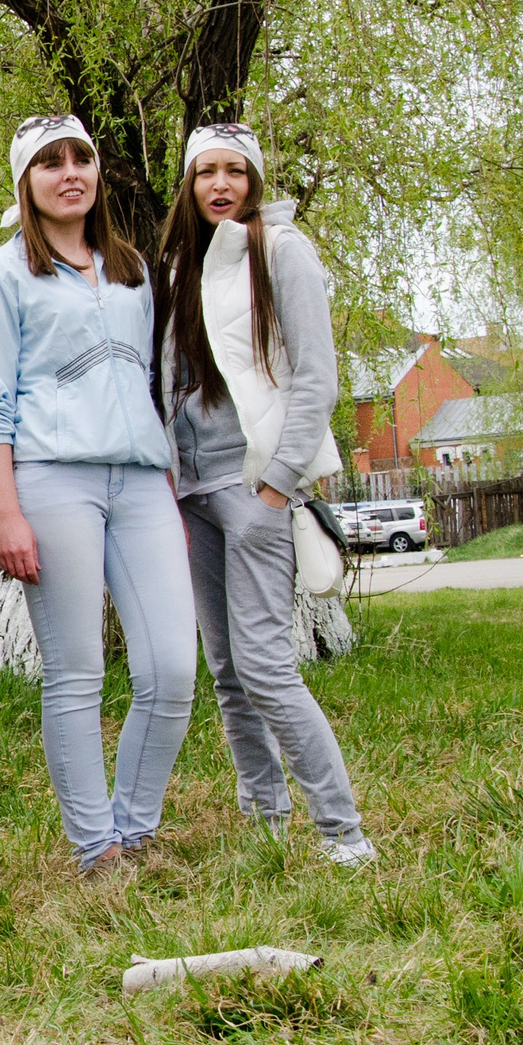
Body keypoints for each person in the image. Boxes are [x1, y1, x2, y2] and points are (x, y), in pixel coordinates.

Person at [0, 114, 194, 880]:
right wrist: (8, 512)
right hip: (53, 479)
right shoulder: (1, 274)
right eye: (50, 162)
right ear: (25, 183)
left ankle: (136, 825)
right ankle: (97, 851)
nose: (70, 173)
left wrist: (166, 477)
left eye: (81, 159)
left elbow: (153, 384)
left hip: (140, 479)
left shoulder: (129, 270)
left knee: (171, 668)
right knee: (77, 671)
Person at [153, 122, 376, 866]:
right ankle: (266, 821)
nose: (221, 186)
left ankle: (343, 833)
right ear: (188, 184)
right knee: (225, 669)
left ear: (254, 180)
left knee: (266, 666)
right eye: (207, 172)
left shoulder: (281, 251)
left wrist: (281, 485)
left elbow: (317, 377)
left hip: (254, 485)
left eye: (236, 172)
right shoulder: (177, 264)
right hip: (192, 491)